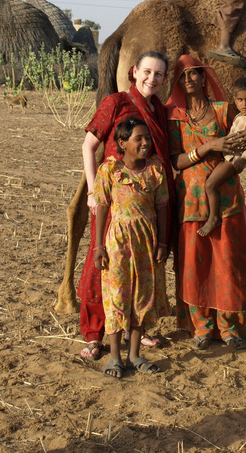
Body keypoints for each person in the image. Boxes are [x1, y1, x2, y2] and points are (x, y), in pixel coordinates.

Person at [77, 51, 174, 360]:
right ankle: (94, 334)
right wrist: (94, 191)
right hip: (112, 200)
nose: (152, 78)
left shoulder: (158, 108)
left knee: (139, 267)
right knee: (101, 262)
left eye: (159, 74)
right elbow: (89, 146)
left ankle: (135, 329)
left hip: (144, 204)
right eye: (147, 71)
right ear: (134, 71)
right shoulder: (116, 102)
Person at [167, 55, 246, 350]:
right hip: (190, 201)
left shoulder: (223, 110)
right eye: (182, 76)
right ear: (177, 82)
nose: (189, 80)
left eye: (194, 74)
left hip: (226, 197)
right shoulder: (174, 116)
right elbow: (175, 160)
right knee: (196, 265)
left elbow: (243, 143)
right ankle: (202, 327)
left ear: (205, 78)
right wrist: (209, 147)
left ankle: (228, 328)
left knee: (226, 263)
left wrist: (235, 160)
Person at [93, 118, 169, 378]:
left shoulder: (155, 170)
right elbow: (102, 206)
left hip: (146, 243)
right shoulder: (110, 171)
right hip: (118, 243)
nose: (145, 143)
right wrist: (98, 246)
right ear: (122, 144)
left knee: (143, 297)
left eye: (147, 138)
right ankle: (114, 357)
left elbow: (162, 208)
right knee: (116, 296)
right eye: (139, 139)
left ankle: (134, 354)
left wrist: (162, 242)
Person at [200, 76, 246, 238]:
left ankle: (213, 217)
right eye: (240, 99)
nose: (244, 104)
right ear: (234, 100)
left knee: (210, 185)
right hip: (229, 157)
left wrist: (244, 158)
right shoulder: (241, 116)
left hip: (234, 160)